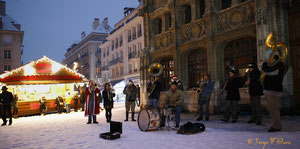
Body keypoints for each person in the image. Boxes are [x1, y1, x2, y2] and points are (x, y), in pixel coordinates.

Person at [262, 55, 285, 132]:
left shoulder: (279, 65)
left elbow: (267, 71)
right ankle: (276, 124)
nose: (269, 60)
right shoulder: (275, 65)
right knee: (271, 108)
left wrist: (264, 64)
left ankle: (277, 126)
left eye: (270, 59)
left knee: (273, 108)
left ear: (275, 59)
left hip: (274, 90)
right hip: (270, 89)